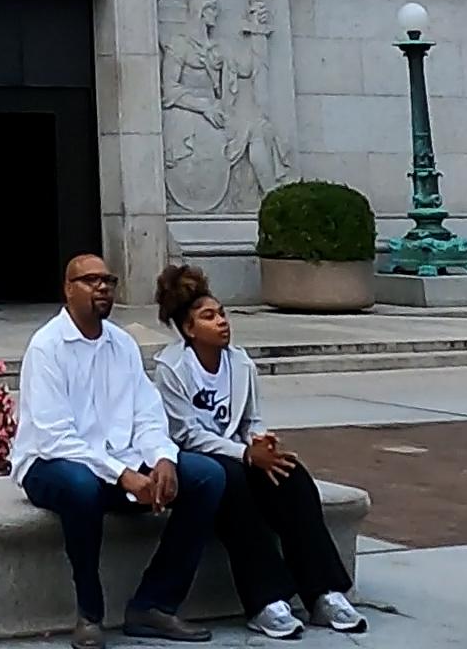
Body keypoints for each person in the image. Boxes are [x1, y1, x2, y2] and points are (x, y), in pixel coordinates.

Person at [14, 251, 230, 644]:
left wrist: (163, 458)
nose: (102, 287)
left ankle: (154, 605)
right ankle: (90, 614)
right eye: (90, 280)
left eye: (108, 281)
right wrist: (124, 475)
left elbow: (147, 413)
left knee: (206, 476)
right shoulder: (47, 347)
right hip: (50, 465)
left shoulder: (123, 344)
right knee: (81, 486)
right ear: (68, 289)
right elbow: (55, 437)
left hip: (119, 464)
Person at [154, 264, 366, 637]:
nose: (221, 322)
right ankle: (265, 600)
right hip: (197, 462)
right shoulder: (171, 369)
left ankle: (324, 592)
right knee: (233, 483)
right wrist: (245, 455)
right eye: (208, 317)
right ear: (189, 329)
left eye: (222, 314)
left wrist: (261, 442)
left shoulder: (240, 362)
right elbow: (185, 434)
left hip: (239, 454)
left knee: (293, 477)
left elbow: (252, 419)